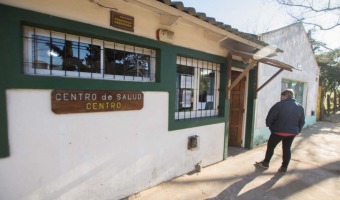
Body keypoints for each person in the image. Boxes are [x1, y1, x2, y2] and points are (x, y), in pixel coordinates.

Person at [255, 89, 305, 174]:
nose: (282, 98)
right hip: (291, 133)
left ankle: (265, 163)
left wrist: (270, 127)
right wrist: (297, 130)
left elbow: (270, 117)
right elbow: (302, 121)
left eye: (283, 96)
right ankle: (284, 168)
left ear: (286, 96)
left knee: (271, 147)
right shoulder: (300, 107)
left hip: (277, 131)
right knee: (287, 149)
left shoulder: (279, 105)